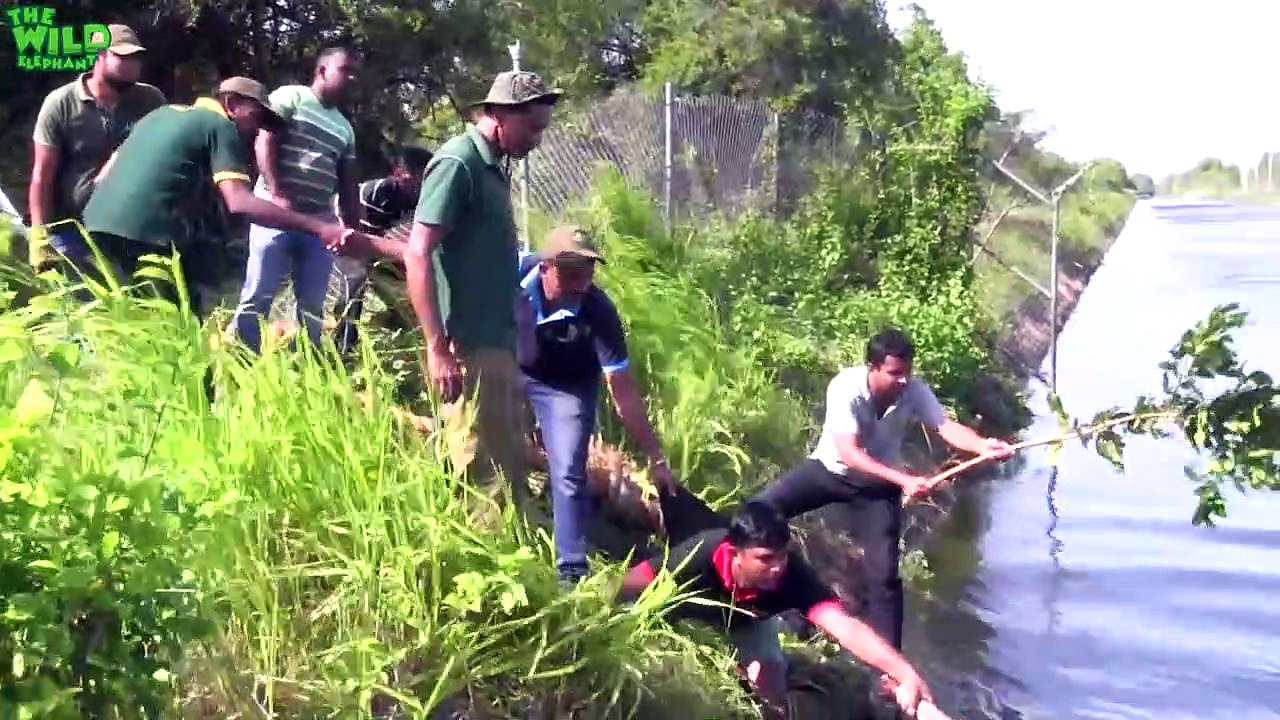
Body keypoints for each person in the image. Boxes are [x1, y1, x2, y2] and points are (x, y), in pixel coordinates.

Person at [749, 328, 1014, 654]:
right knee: (761, 510)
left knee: (884, 576)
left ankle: (890, 668)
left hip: (877, 487)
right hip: (832, 470)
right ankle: (768, 601)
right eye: (894, 373)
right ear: (872, 368)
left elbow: (944, 425)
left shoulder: (913, 389)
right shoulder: (845, 388)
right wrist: (904, 480)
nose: (903, 380)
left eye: (907, 371)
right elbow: (850, 453)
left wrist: (981, 446)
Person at [402, 69, 562, 504]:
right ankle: (485, 559)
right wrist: (437, 349)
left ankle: (515, 552)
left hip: (497, 339)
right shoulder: (459, 163)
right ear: (500, 115)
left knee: (504, 463)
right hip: (468, 345)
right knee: (480, 471)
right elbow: (416, 253)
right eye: (532, 128)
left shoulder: (491, 168)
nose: (536, 140)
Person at [618, 501, 934, 720]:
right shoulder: (701, 554)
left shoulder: (793, 575)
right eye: (766, 558)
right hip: (683, 607)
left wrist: (904, 672)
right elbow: (635, 581)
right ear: (735, 553)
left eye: (782, 556)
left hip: (749, 623)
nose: (777, 568)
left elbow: (846, 628)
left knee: (771, 687)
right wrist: (592, 605)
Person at [81, 76, 365, 318]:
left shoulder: (160, 114)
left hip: (94, 227)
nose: (257, 129)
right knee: (178, 327)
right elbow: (239, 203)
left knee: (113, 320)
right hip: (144, 235)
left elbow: (106, 172)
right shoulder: (220, 126)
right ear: (231, 103)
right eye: (257, 117)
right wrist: (320, 227)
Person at [516, 225, 677, 584]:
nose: (581, 283)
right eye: (571, 272)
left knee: (568, 469)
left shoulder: (597, 310)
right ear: (545, 267)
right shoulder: (513, 279)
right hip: (513, 368)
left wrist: (656, 457)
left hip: (567, 387)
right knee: (486, 433)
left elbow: (623, 392)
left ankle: (570, 572)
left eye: (588, 273)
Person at [229, 45, 363, 353]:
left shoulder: (345, 128)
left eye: (354, 73)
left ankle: (306, 363)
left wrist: (352, 229)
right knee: (259, 292)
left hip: (319, 222)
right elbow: (266, 141)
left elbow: (347, 181)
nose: (351, 78)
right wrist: (277, 194)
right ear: (322, 70)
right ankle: (242, 357)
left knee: (312, 304)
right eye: (345, 70)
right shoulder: (291, 97)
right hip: (274, 213)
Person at [27, 23, 165, 283]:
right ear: (99, 56)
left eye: (136, 58)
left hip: (129, 228)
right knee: (86, 312)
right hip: (72, 228)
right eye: (122, 57)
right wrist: (39, 237)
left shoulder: (150, 100)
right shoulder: (62, 103)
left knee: (137, 310)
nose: (131, 65)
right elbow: (41, 177)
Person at [331, 145, 433, 354]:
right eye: (419, 178)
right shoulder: (378, 193)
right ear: (399, 174)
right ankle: (344, 345)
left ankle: (400, 328)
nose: (424, 185)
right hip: (338, 232)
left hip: (370, 241)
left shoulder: (417, 199)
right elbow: (358, 236)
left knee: (403, 280)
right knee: (355, 282)